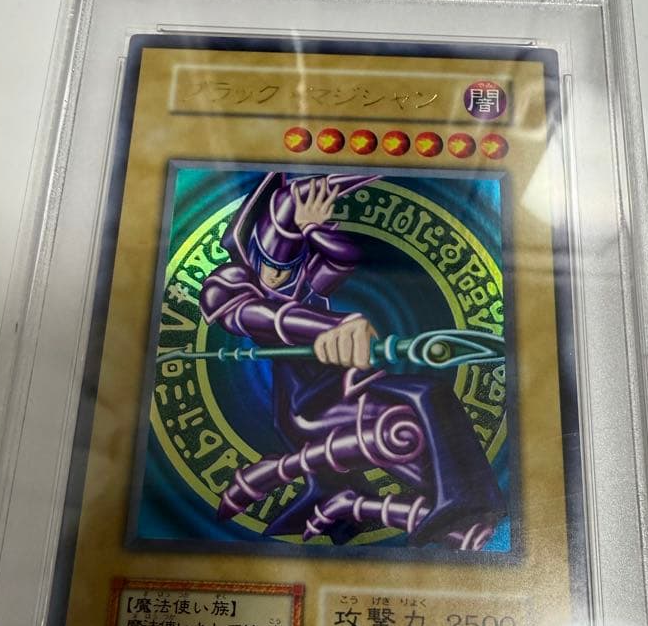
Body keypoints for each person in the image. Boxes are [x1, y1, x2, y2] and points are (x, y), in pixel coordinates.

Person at [199, 171, 505, 550]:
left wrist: (313, 229)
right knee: (406, 422)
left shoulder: (304, 283)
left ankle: (457, 503)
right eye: (269, 266)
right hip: (306, 406)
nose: (276, 278)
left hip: (344, 387)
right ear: (252, 256)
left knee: (429, 394)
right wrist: (331, 326)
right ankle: (451, 508)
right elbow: (254, 316)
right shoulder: (232, 287)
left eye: (288, 269)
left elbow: (345, 258)